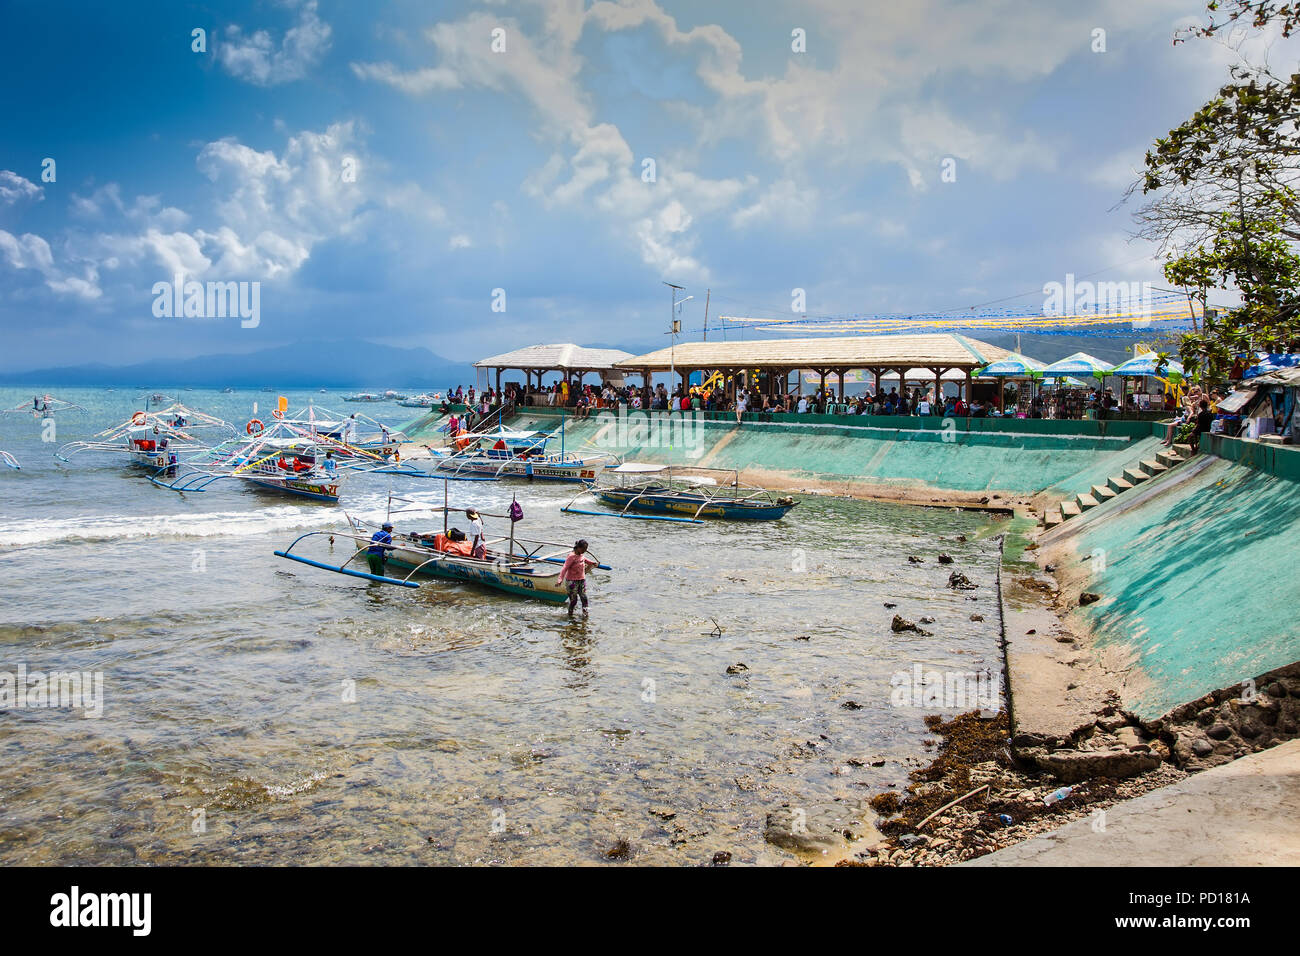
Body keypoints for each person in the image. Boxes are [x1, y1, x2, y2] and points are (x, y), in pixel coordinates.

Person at [559, 539, 598, 619]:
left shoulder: (581, 555)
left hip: (581, 580)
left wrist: (592, 563)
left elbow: (584, 559)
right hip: (572, 582)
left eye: (586, 550)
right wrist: (560, 579)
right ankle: (570, 614)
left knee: (584, 598)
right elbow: (565, 568)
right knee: (574, 600)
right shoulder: (571, 556)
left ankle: (585, 614)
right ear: (578, 548)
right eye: (583, 549)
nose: (585, 551)